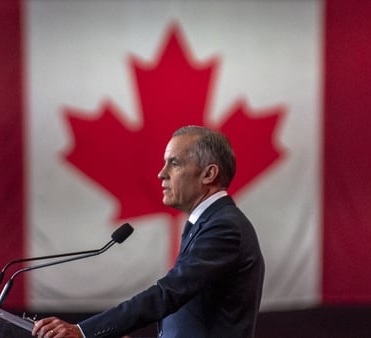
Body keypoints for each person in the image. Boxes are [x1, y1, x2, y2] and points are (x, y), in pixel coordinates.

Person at [32, 125, 265, 338]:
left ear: (208, 174)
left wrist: (84, 332)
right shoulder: (207, 222)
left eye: (174, 163)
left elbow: (169, 293)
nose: (161, 173)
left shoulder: (224, 227)